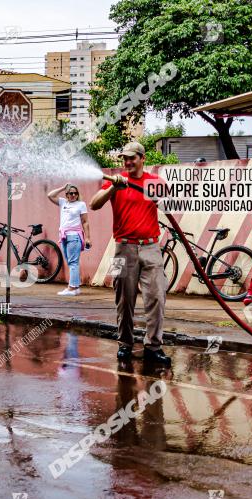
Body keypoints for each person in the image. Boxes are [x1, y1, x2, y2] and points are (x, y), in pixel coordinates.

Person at [89, 142, 171, 367]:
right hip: (122, 248)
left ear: (142, 158)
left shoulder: (154, 182)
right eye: (124, 158)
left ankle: (153, 347)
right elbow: (93, 204)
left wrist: (158, 195)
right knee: (123, 298)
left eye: (132, 158)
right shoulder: (115, 182)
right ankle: (124, 344)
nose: (127, 162)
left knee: (156, 296)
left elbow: (168, 197)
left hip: (151, 247)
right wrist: (114, 188)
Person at [47, 183, 91, 296]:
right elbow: (50, 195)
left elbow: (85, 222)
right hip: (63, 236)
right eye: (70, 193)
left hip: (74, 236)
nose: (73, 195)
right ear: (66, 194)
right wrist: (62, 187)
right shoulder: (63, 202)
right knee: (70, 262)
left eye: (75, 193)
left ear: (77, 195)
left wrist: (88, 238)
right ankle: (75, 287)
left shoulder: (81, 204)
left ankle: (72, 288)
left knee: (73, 263)